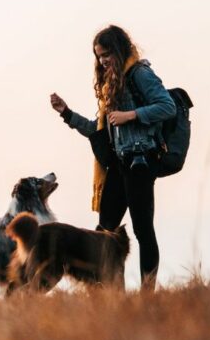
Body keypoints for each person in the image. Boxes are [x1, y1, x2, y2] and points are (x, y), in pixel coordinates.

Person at [50, 25, 176, 291]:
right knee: (104, 230)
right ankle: (105, 294)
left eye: (106, 54)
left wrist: (131, 115)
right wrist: (67, 113)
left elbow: (167, 106)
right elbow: (98, 131)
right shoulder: (112, 85)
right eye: (98, 56)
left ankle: (147, 295)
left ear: (120, 49)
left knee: (143, 232)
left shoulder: (139, 74)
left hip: (141, 162)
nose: (103, 60)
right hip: (120, 165)